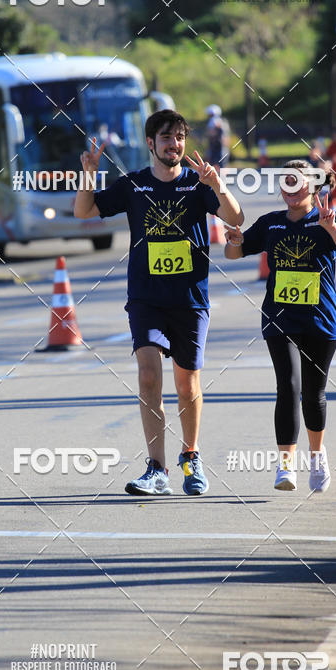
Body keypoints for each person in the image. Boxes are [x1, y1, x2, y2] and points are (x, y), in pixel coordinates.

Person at [75, 109, 243, 497]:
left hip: (189, 299)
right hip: (146, 299)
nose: (175, 144)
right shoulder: (133, 186)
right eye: (166, 137)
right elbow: (84, 211)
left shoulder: (197, 183)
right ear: (151, 144)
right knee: (148, 376)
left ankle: (192, 457)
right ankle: (156, 468)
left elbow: (236, 217)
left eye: (180, 137)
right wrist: (88, 173)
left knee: (187, 385)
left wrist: (217, 184)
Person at [224, 160, 336, 494]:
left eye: (296, 181)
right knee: (287, 385)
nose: (290, 187)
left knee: (313, 394)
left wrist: (331, 229)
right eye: (285, 181)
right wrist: (233, 239)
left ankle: (317, 457)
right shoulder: (271, 224)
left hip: (320, 319)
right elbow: (234, 253)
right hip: (279, 319)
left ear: (313, 186)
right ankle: (285, 466)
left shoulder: (329, 219)